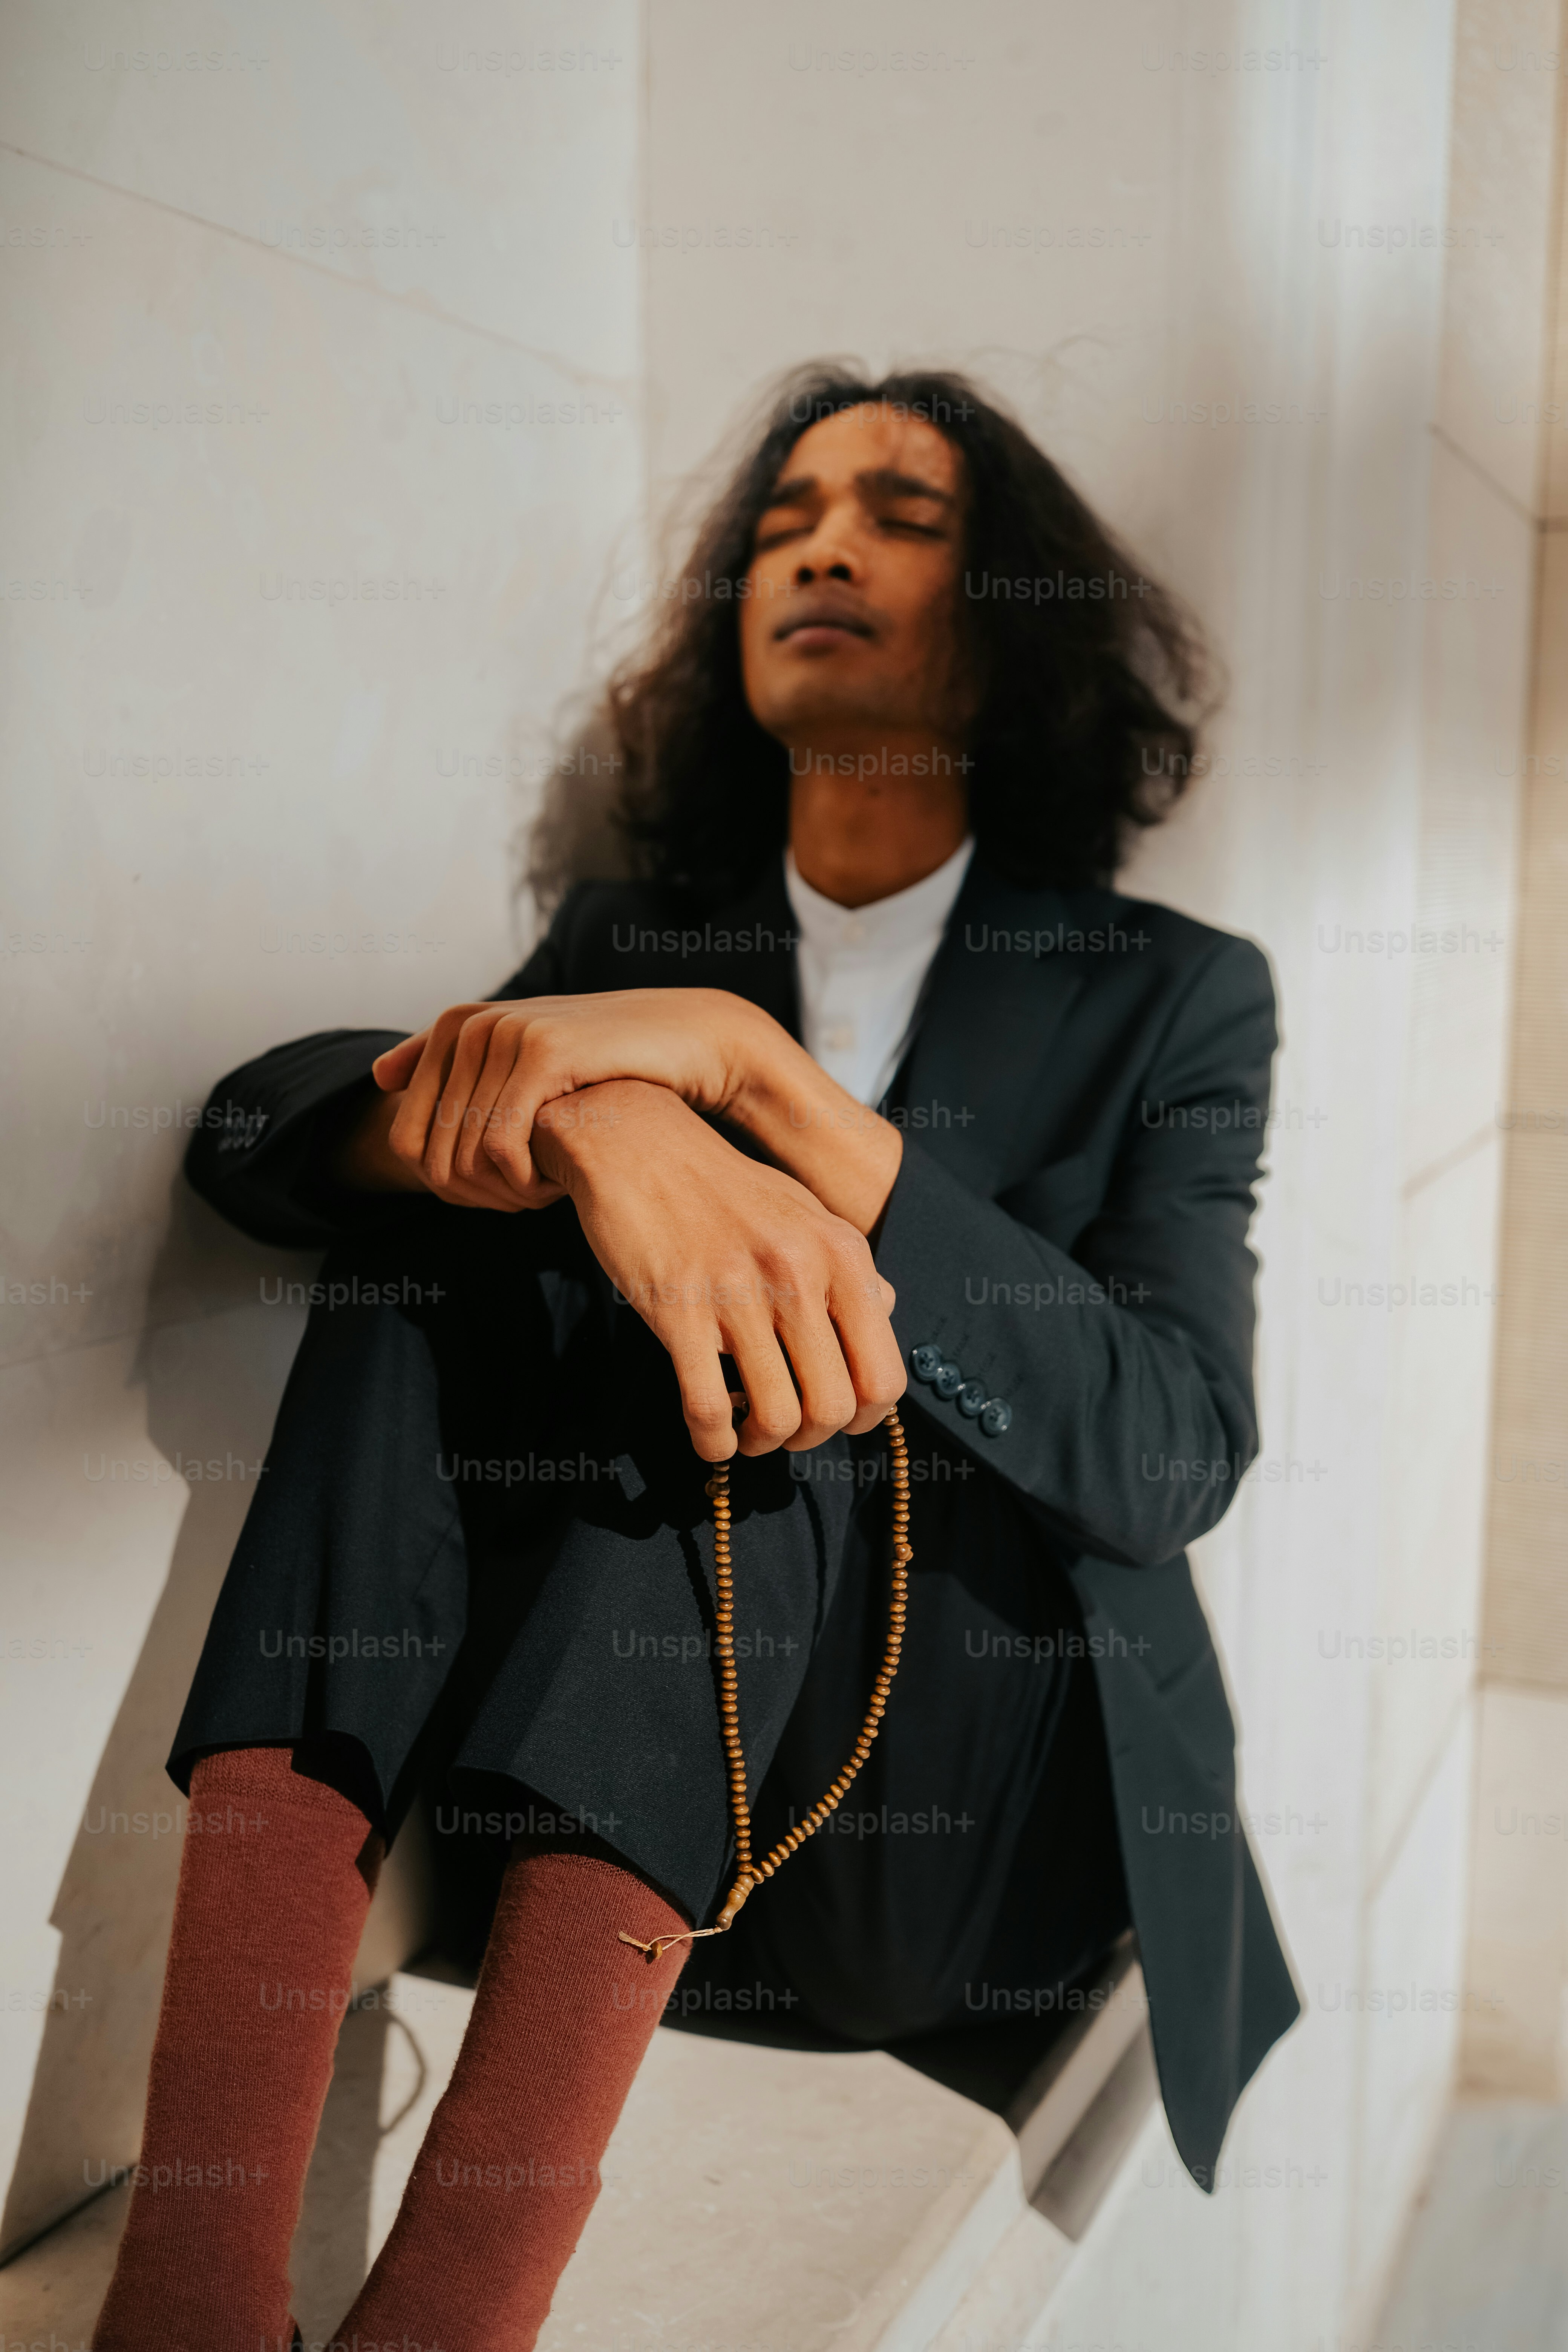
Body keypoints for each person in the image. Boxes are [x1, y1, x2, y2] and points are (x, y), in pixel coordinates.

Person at [94, 368, 1299, 2352]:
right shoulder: (625, 938)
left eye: (902, 515)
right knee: (426, 1245)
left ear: (1012, 620)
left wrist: (745, 1089)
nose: (820, 544)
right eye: (784, 520)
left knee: (791, 1314)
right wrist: (592, 1118)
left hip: (939, 1856)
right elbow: (260, 1126)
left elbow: (1171, 1449)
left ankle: (457, 2314)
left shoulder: (1166, 999)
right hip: (615, 1820)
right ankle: (196, 2285)